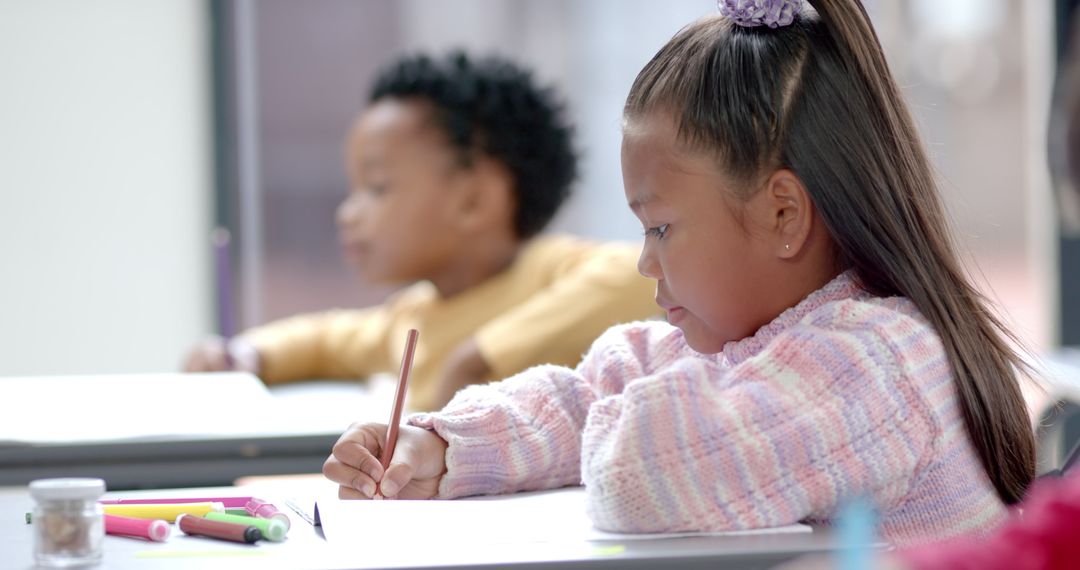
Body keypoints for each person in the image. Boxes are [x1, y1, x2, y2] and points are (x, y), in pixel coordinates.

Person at [321, 0, 1036, 545]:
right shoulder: (760, 338)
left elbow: (640, 472)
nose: (643, 259)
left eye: (661, 226)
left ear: (784, 215)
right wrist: (444, 448)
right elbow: (589, 394)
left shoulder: (876, 362)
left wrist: (600, 418)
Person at [184, 51, 659, 412]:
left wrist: (475, 359)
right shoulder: (413, 313)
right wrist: (247, 354)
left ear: (473, 201)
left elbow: (634, 276)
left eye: (377, 187)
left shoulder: (555, 268)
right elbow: (328, 338)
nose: (348, 213)